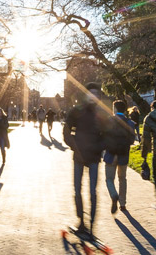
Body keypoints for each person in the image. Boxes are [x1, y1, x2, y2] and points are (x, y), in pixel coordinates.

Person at [63, 82, 111, 238]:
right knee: (77, 190)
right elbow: (66, 130)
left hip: (94, 157)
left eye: (96, 94)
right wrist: (74, 146)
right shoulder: (77, 111)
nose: (93, 96)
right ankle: (81, 222)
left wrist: (99, 147)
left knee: (92, 192)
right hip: (78, 156)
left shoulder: (102, 113)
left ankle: (91, 225)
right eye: (91, 93)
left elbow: (107, 135)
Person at [104, 100, 137, 214]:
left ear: (115, 108)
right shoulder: (130, 123)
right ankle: (123, 204)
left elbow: (104, 137)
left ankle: (114, 195)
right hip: (123, 154)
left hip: (110, 154)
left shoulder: (108, 120)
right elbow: (132, 140)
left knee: (109, 179)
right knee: (122, 179)